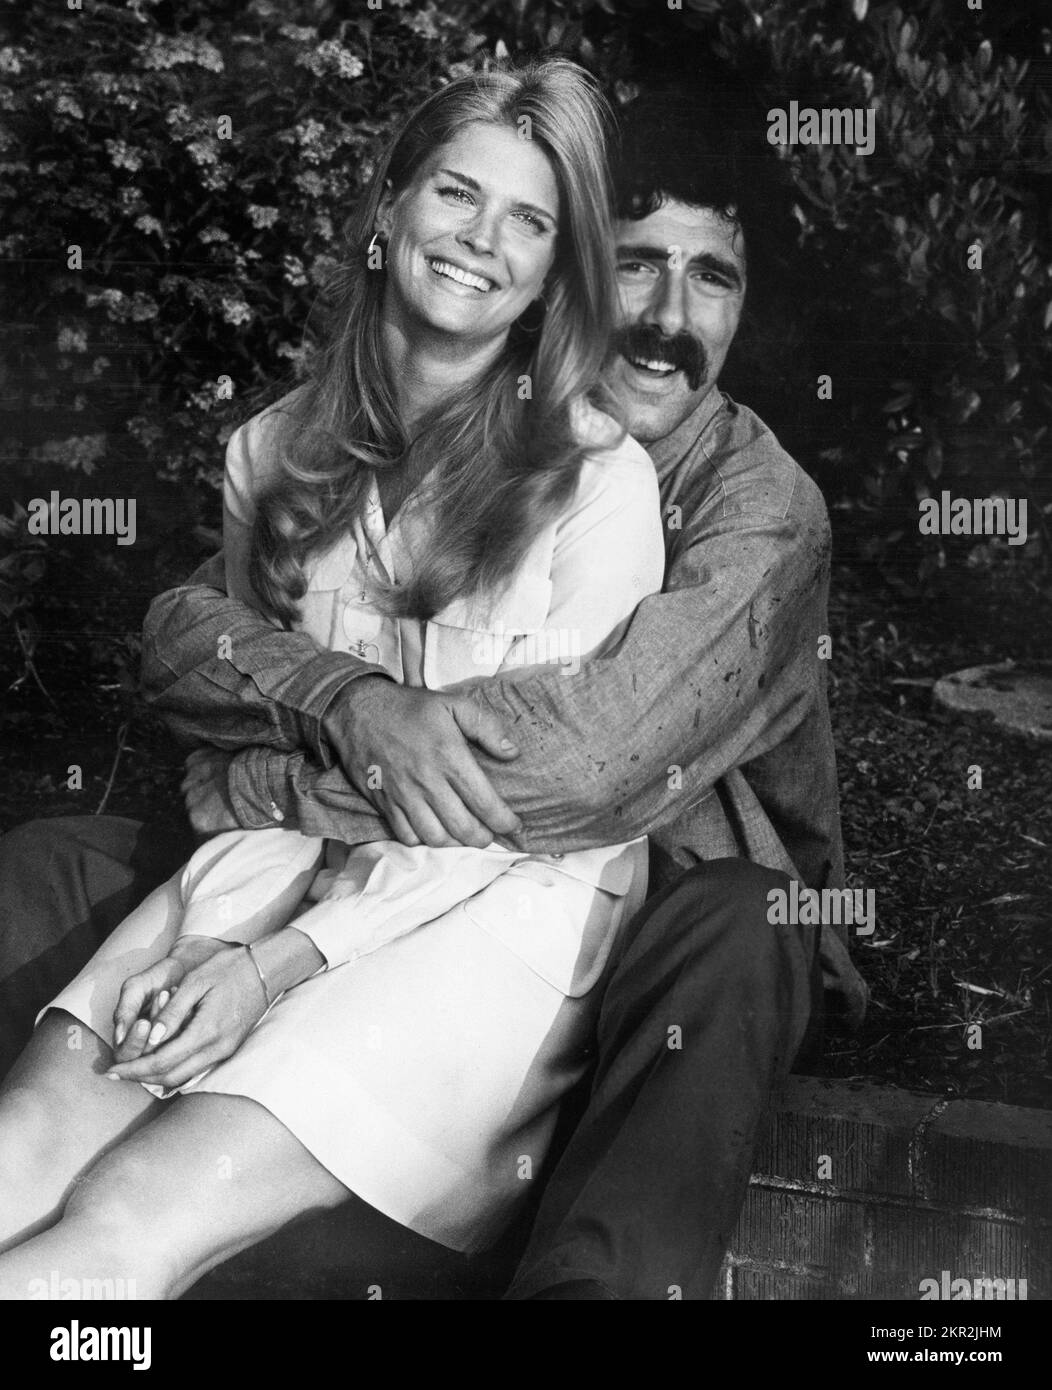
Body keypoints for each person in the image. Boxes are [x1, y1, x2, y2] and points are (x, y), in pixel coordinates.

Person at [0, 82, 867, 1300]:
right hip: (366, 861)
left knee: (737, 927)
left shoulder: (741, 504)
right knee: (49, 885)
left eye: (712, 277)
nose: (669, 319)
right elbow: (194, 628)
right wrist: (349, 704)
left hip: (644, 903)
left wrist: (262, 775)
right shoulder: (377, 433)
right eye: (632, 267)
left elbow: (571, 775)